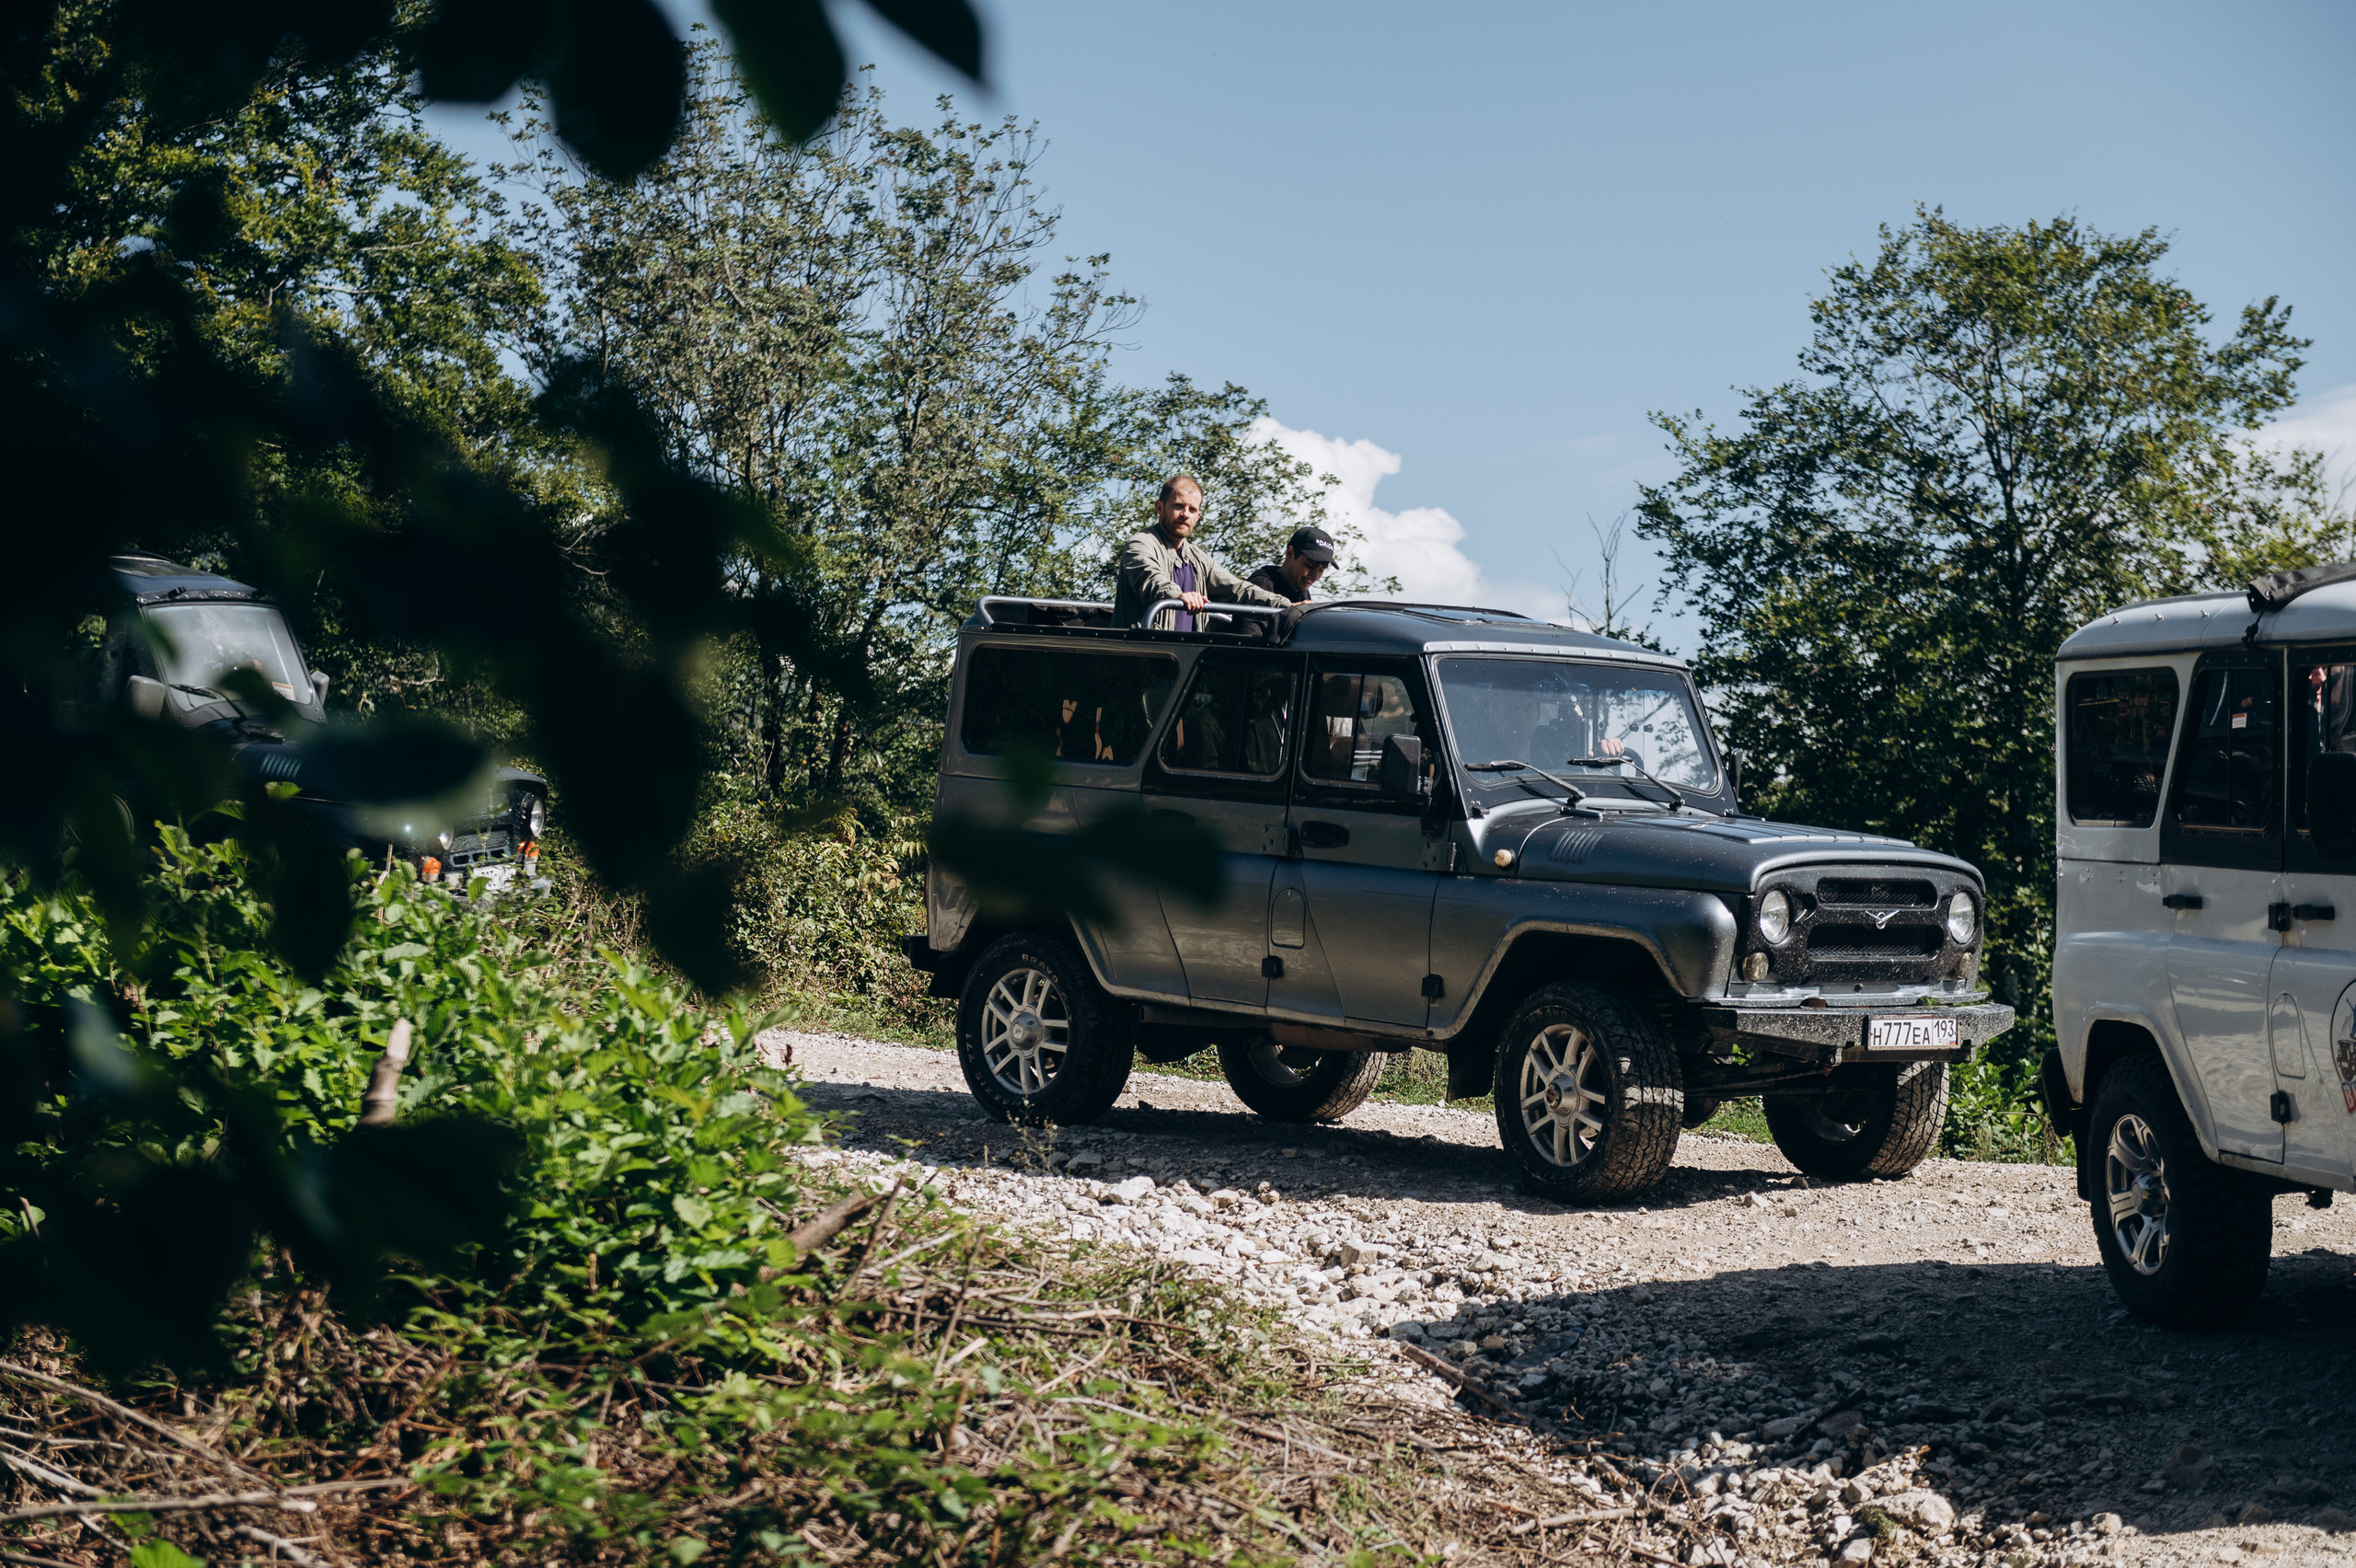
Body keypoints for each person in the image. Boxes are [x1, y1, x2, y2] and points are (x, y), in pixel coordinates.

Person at [1114, 474, 1290, 629]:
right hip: (1143, 653)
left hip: (1184, 654)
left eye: (1192, 509)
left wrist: (1288, 606)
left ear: (1198, 516)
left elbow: (1239, 590)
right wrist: (1176, 595)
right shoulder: (1141, 543)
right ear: (1159, 507)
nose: (1185, 514)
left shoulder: (1198, 559)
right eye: (1178, 506)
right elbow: (1150, 578)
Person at [1246, 525, 1336, 605]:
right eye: (1309, 566)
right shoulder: (1262, 586)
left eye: (1321, 570)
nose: (1314, 576)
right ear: (1289, 554)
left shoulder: (1302, 592)